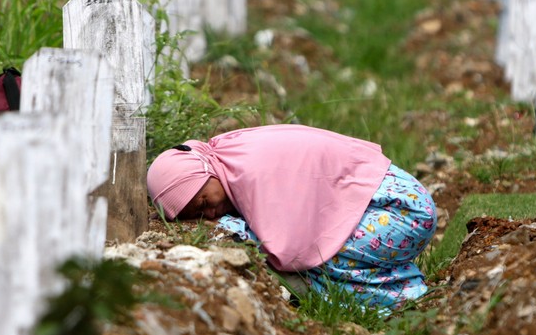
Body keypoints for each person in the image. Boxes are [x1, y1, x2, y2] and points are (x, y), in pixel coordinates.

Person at [146, 124, 438, 309]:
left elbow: (291, 249)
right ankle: (399, 282)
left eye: (203, 202)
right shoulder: (230, 155)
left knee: (324, 254)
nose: (208, 214)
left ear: (204, 173)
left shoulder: (249, 174)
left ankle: (403, 293)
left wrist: (231, 228)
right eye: (196, 216)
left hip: (402, 212)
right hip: (397, 202)